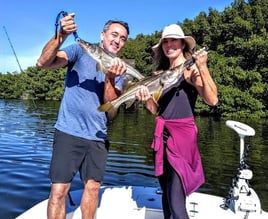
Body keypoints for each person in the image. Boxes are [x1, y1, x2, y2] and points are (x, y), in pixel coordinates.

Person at [36, 13, 130, 219]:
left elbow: (109, 101)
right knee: (59, 191)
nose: (117, 40)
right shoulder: (79, 50)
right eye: (114, 34)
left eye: (123, 38)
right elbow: (43, 62)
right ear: (102, 35)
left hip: (97, 135)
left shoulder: (120, 68)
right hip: (68, 132)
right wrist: (60, 35)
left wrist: (111, 77)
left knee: (93, 189)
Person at [136, 24, 218, 219]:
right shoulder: (159, 74)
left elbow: (213, 100)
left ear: (182, 44)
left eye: (173, 40)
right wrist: (146, 98)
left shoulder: (190, 71)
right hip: (162, 135)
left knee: (175, 200)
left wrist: (203, 66)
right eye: (165, 41)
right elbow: (157, 111)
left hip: (182, 137)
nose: (169, 44)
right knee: (166, 195)